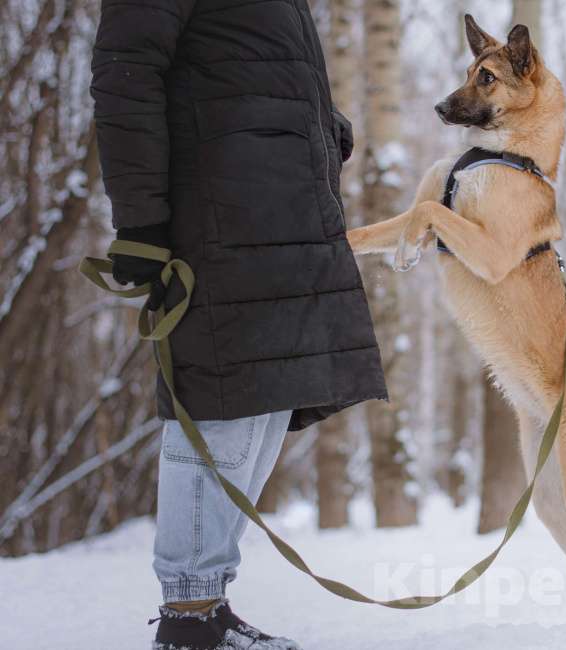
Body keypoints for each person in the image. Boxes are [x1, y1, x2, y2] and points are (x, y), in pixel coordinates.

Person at [90, 1, 388, 648]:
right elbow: (125, 75)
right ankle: (188, 613)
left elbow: (242, 63)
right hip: (217, 215)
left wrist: (318, 126)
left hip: (283, 209)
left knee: (268, 396)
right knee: (223, 399)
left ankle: (206, 603)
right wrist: (140, 223)